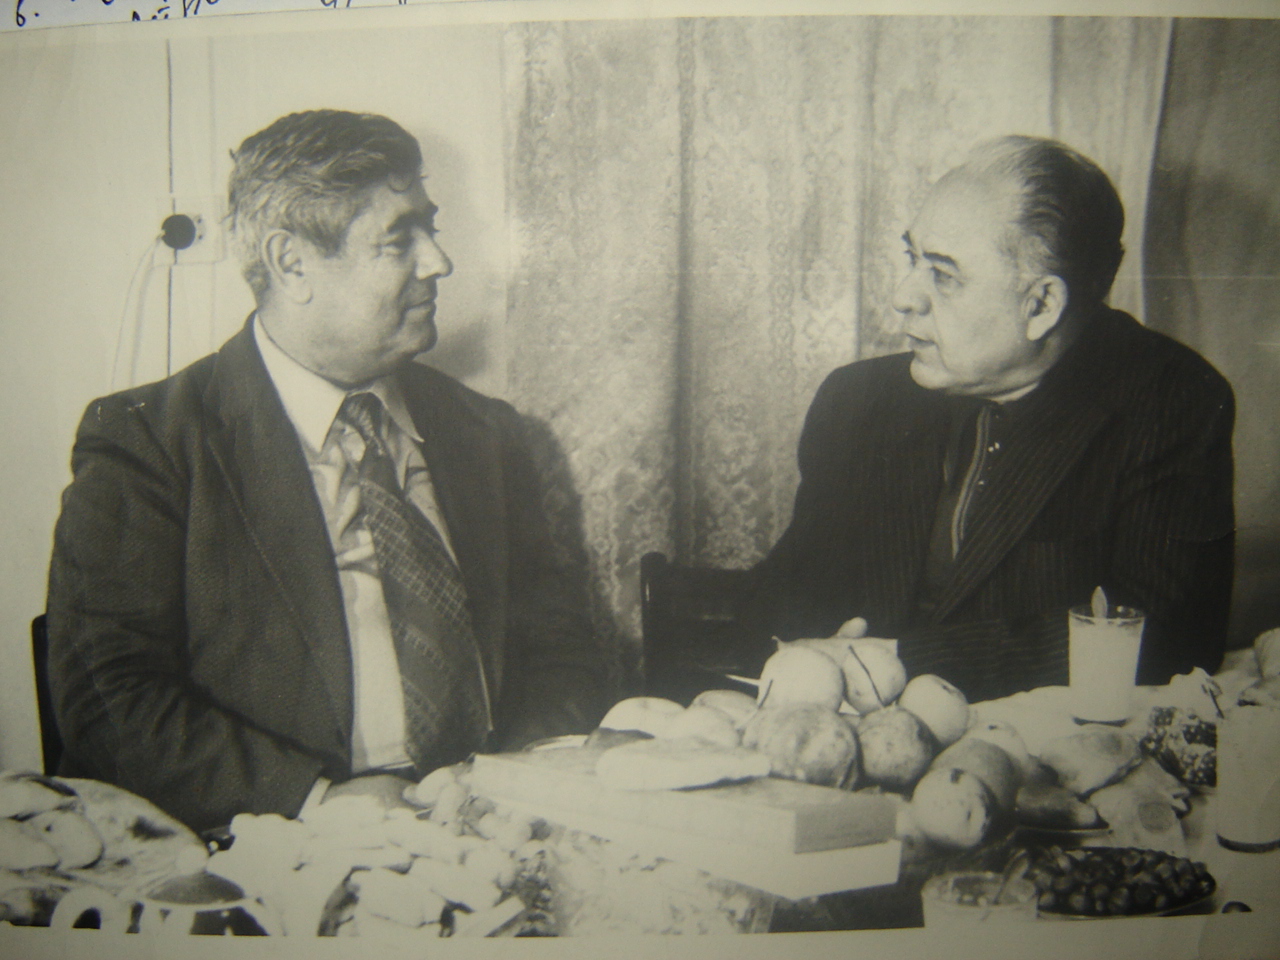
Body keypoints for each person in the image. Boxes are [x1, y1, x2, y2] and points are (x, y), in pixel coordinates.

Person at [46, 110, 610, 832]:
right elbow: (109, 698)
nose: (439, 262)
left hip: (494, 823)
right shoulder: (150, 443)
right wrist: (313, 800)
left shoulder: (486, 433)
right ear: (291, 263)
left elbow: (561, 649)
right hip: (279, 844)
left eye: (431, 229)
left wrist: (511, 783)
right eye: (399, 239)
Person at [742, 135, 1235, 704]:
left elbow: (1165, 637)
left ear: (1041, 305)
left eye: (943, 275)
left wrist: (902, 659)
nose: (903, 297)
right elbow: (788, 590)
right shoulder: (857, 399)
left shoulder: (1173, 401)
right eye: (912, 259)